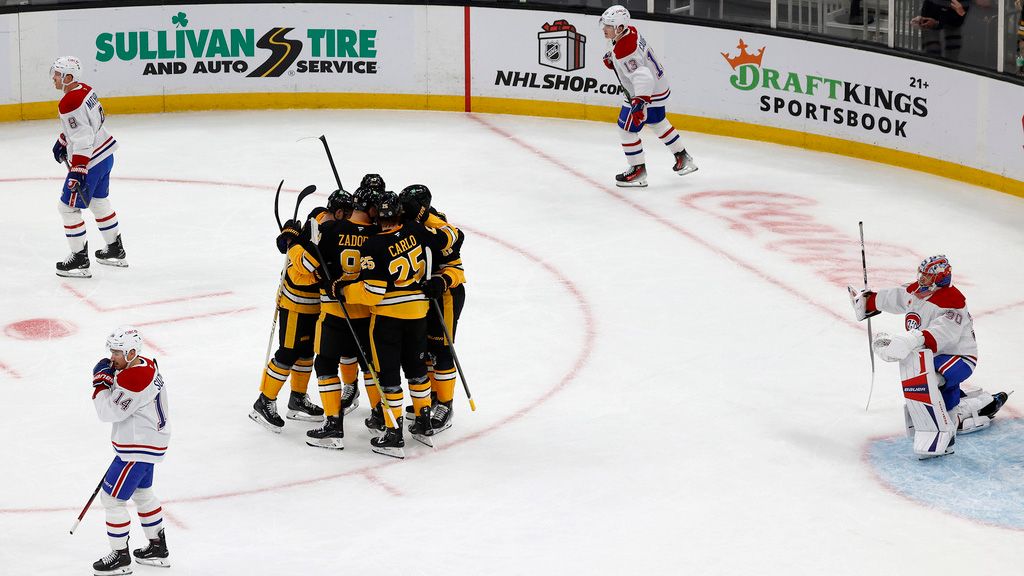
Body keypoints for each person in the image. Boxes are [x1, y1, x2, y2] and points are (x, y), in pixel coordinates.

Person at [336, 192, 447, 458]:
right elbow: (449, 236)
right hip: (418, 314)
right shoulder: (416, 230)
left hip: (387, 319)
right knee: (417, 370)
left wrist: (345, 291)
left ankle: (393, 432)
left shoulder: (373, 246)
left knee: (388, 376)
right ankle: (424, 422)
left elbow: (373, 291)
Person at [848, 255, 1008, 433]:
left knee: (931, 379)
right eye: (921, 275)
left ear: (940, 278)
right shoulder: (917, 291)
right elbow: (898, 297)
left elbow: (944, 331)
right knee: (918, 372)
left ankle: (963, 412)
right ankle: (949, 407)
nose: (921, 279)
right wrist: (870, 301)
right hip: (931, 352)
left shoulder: (953, 301)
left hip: (959, 356)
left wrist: (914, 339)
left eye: (927, 276)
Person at [303, 184, 380, 449]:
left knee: (325, 366)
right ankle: (381, 416)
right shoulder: (379, 233)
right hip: (369, 314)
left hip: (334, 313)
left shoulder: (330, 229)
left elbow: (306, 264)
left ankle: (334, 426)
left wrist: (294, 238)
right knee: (370, 365)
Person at [90, 326, 171, 574]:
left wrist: (100, 385)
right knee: (143, 494)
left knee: (112, 499)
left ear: (132, 352)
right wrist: (111, 378)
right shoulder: (143, 364)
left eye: (117, 352)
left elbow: (107, 412)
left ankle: (120, 557)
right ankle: (158, 548)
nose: (112, 357)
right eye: (111, 350)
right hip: (148, 442)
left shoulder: (133, 378)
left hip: (137, 448)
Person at [248, 199, 327, 433]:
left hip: (313, 309)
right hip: (295, 308)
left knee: (305, 354)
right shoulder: (301, 248)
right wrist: (293, 241)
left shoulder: (312, 239)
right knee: (288, 353)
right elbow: (308, 264)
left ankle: (297, 399)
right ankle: (264, 401)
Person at [599, 6, 697, 188]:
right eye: (604, 24)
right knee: (658, 122)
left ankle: (637, 170)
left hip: (645, 92)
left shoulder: (624, 49)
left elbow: (642, 75)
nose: (604, 29)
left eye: (609, 26)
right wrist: (612, 59)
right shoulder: (630, 32)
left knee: (626, 129)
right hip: (659, 88)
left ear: (620, 28)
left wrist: (639, 102)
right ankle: (683, 157)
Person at [50, 56, 128, 278]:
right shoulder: (85, 89)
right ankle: (115, 249)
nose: (54, 78)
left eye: (58, 74)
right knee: (99, 201)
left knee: (67, 208)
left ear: (68, 77)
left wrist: (79, 169)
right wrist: (64, 140)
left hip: (90, 160)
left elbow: (83, 137)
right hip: (105, 154)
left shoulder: (68, 102)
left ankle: (79, 260)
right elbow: (86, 125)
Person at [400, 185, 466, 436]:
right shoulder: (407, 223)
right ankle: (433, 399)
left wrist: (442, 281)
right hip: (422, 297)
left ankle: (445, 405)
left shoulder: (439, 224)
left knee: (442, 348)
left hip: (446, 295)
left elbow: (456, 267)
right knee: (425, 350)